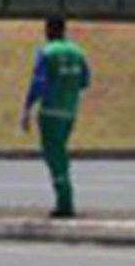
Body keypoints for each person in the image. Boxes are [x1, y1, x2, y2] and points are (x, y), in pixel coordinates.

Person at [21, 16, 90, 219]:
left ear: (48, 30)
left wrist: (27, 108)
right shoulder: (78, 52)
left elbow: (38, 83)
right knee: (60, 152)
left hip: (50, 112)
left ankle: (65, 203)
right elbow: (85, 81)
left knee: (54, 156)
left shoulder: (46, 52)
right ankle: (64, 199)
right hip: (70, 112)